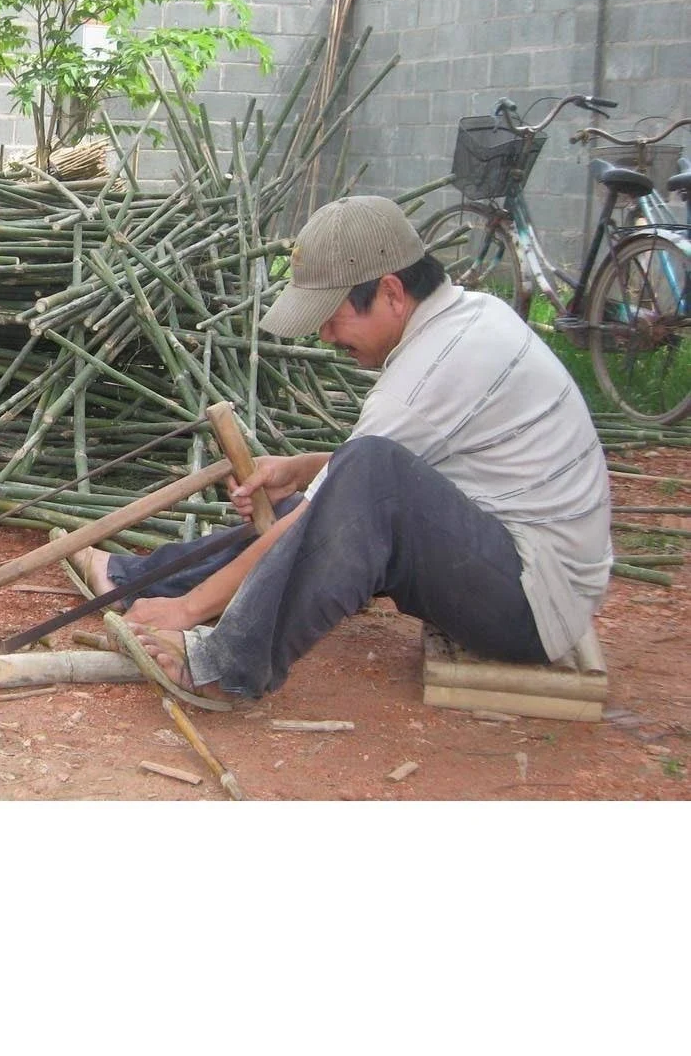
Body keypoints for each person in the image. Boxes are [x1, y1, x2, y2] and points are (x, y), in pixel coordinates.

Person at [77, 194, 612, 705]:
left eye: (333, 317)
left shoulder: (438, 366)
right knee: (339, 481)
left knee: (359, 477)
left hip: (532, 607)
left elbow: (354, 493)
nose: (327, 336)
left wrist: (191, 611)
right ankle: (136, 580)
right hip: (520, 568)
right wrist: (303, 468)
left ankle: (225, 665)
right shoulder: (465, 318)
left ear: (392, 292)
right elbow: (396, 474)